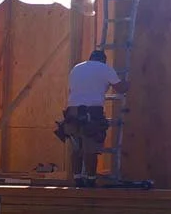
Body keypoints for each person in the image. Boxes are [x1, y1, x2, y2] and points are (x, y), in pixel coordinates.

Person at [55, 49, 129, 186]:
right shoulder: (105, 69)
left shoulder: (76, 68)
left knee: (77, 148)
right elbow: (121, 88)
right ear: (103, 60)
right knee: (91, 149)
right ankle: (91, 180)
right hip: (92, 112)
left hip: (72, 112)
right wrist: (129, 82)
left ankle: (77, 179)